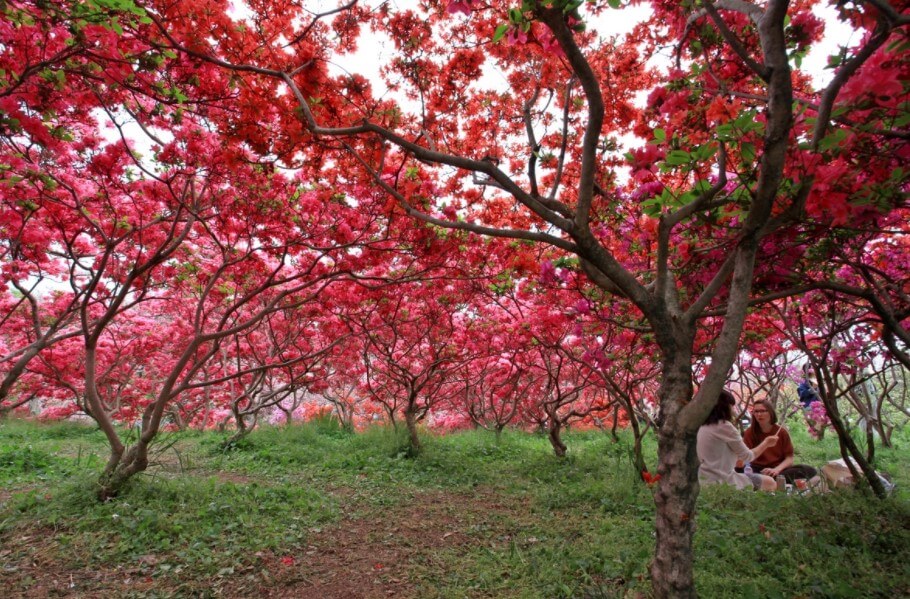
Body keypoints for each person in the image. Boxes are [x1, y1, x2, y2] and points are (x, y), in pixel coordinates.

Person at [697, 390, 779, 491]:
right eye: (731, 406)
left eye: (763, 411)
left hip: (702, 480)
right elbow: (747, 456)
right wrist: (766, 443)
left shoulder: (700, 426)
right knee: (770, 482)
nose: (733, 410)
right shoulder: (724, 426)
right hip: (722, 480)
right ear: (725, 407)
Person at [743, 399, 817, 483]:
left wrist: (776, 470)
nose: (759, 414)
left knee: (808, 470)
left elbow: (789, 458)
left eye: (763, 411)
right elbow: (745, 457)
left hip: (778, 470)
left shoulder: (781, 432)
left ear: (770, 412)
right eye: (756, 411)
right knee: (738, 469)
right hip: (757, 469)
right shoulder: (749, 433)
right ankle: (768, 481)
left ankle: (769, 481)